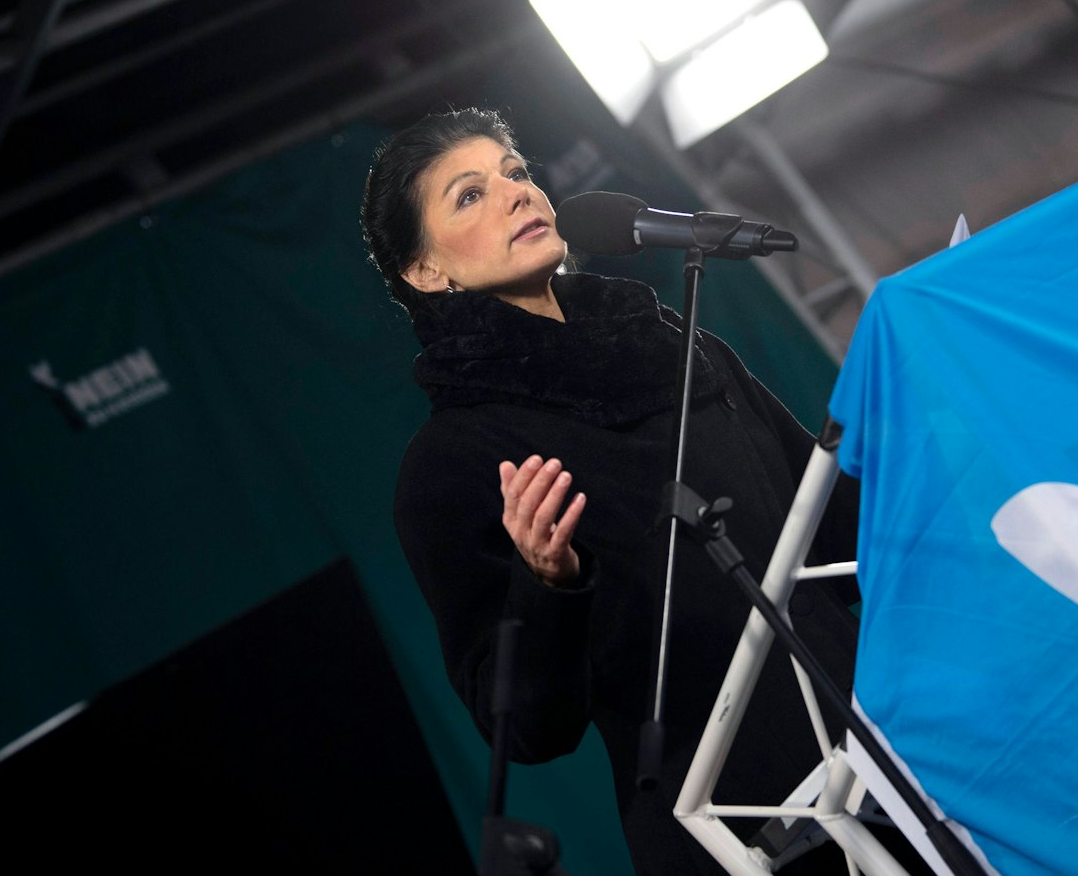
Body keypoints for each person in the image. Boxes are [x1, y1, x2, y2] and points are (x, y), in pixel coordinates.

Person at [361, 108, 860, 874]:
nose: (517, 193)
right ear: (427, 272)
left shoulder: (681, 345)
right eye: (470, 194)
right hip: (746, 834)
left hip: (883, 759)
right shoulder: (450, 464)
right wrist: (548, 583)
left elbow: (841, 530)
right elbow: (528, 727)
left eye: (516, 172)